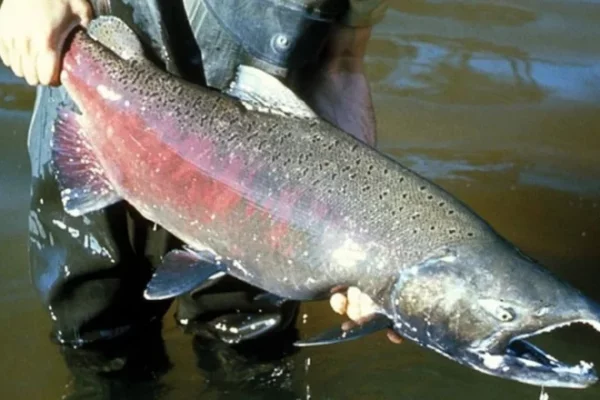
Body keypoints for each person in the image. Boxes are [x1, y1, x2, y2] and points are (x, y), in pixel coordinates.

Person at [0, 0, 402, 354]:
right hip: (101, 100)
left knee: (249, 352)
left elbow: (343, 61)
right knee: (98, 328)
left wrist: (358, 232)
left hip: (258, 191)